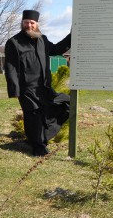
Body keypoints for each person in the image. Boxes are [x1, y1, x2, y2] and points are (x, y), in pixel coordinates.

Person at [4, 9, 71, 156]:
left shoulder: (42, 39)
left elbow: (57, 49)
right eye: (26, 22)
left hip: (45, 88)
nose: (29, 25)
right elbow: (11, 68)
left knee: (67, 104)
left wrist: (72, 36)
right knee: (33, 118)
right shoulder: (14, 43)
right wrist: (15, 91)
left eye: (32, 23)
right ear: (22, 23)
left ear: (37, 24)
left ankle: (42, 138)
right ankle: (38, 148)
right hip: (27, 89)